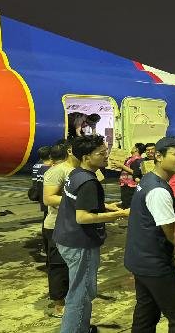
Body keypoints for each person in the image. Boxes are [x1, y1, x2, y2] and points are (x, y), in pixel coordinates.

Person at [53, 135, 130, 333]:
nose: (106, 156)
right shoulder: (88, 181)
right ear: (87, 157)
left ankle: (81, 327)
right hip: (80, 243)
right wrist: (120, 214)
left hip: (66, 237)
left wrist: (105, 206)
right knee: (81, 293)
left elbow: (78, 201)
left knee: (80, 289)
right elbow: (83, 217)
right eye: (101, 153)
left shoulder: (76, 174)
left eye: (106, 152)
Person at [124, 136, 175, 333]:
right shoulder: (158, 191)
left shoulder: (149, 178)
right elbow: (172, 234)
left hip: (139, 259)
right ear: (158, 156)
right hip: (155, 264)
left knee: (147, 312)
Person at [42, 141, 76, 317]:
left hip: (75, 225)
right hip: (57, 226)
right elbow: (48, 199)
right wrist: (80, 199)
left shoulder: (78, 170)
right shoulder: (57, 171)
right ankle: (59, 304)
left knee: (72, 265)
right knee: (58, 265)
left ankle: (71, 298)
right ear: (70, 151)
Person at [114, 143, 145, 208]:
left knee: (129, 203)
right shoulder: (130, 159)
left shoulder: (138, 160)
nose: (132, 148)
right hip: (125, 184)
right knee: (125, 201)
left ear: (136, 149)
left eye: (133, 147)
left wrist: (122, 166)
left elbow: (136, 173)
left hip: (131, 185)